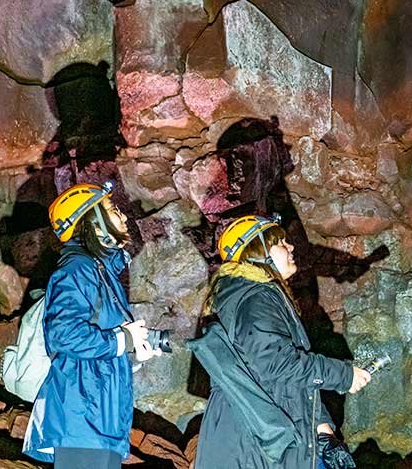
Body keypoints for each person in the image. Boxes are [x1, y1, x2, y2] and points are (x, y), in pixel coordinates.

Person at [191, 215, 371, 469]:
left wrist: (323, 430)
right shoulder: (254, 298)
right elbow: (278, 364)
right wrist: (343, 375)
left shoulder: (254, 295)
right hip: (251, 444)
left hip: (265, 435)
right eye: (280, 243)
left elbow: (283, 380)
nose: (291, 247)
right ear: (257, 253)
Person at [23, 181, 158, 468]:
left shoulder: (102, 272)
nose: (123, 216)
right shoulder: (77, 270)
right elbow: (63, 334)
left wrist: (132, 353)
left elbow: (97, 346)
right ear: (91, 223)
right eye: (113, 210)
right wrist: (121, 340)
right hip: (81, 418)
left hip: (101, 420)